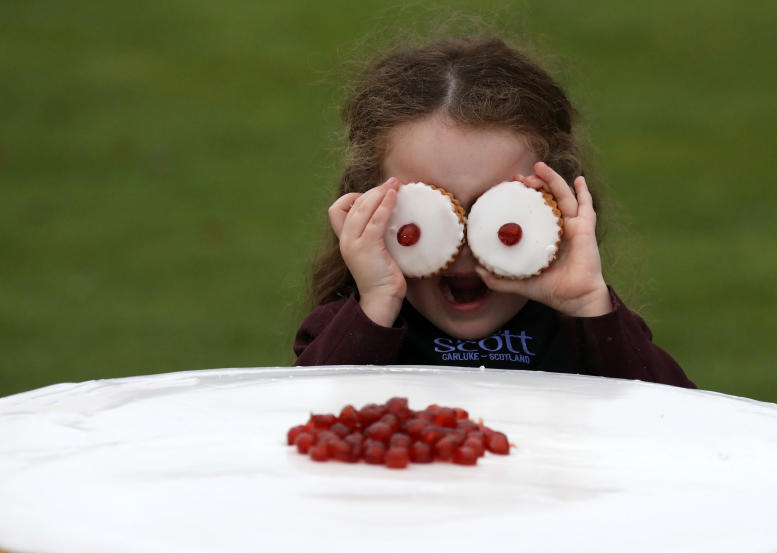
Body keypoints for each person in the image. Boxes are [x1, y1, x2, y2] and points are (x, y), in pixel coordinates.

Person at [294, 36, 694, 388]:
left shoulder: (593, 332)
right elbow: (297, 427)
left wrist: (588, 305)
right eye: (431, 210)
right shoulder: (347, 331)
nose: (466, 245)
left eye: (496, 208)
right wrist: (377, 302)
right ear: (368, 212)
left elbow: (682, 427)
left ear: (556, 209)